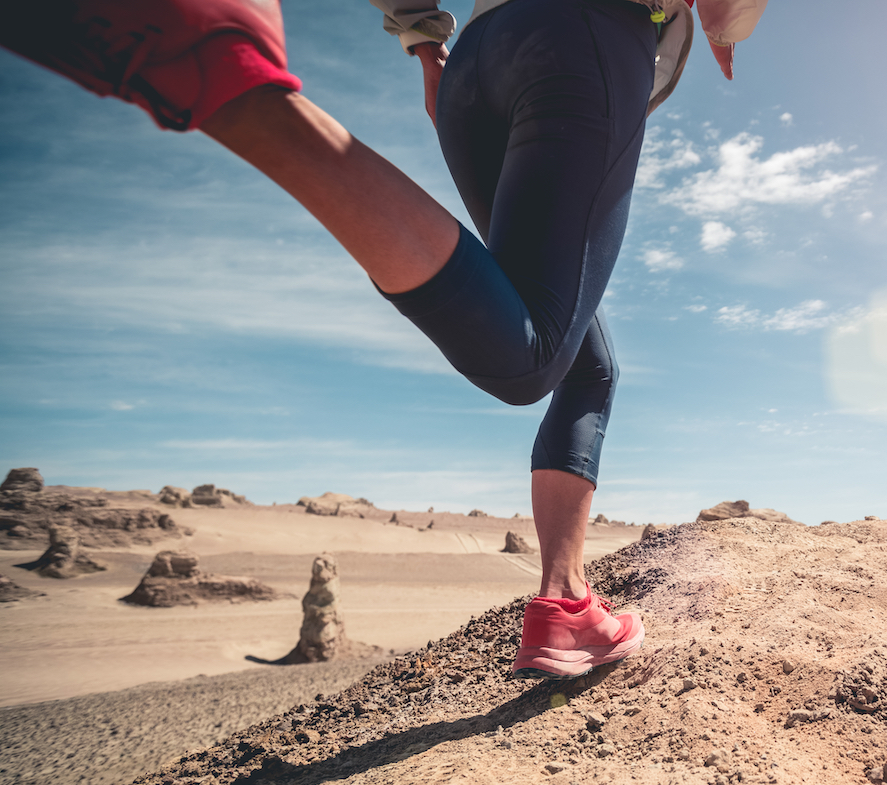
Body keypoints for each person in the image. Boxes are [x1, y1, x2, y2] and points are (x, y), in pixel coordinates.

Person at [1, 0, 767, 679]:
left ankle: (563, 605)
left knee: (588, 366)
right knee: (533, 355)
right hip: (588, 35)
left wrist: (423, 40)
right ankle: (236, 85)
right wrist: (729, 26)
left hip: (474, 64)